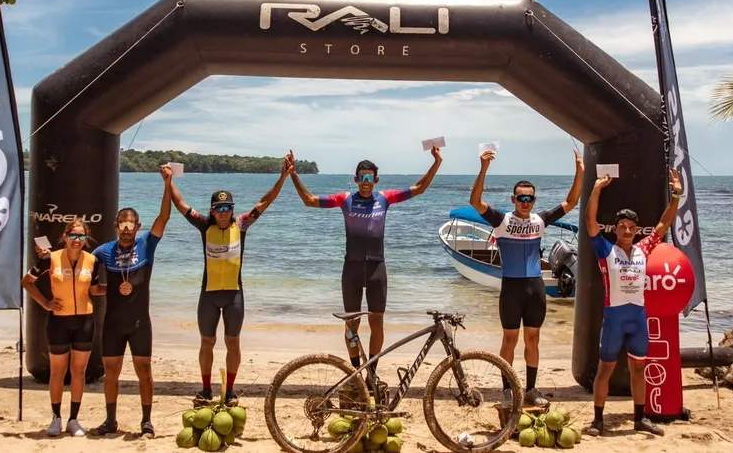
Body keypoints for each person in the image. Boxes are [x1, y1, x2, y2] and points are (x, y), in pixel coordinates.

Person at [288, 146, 442, 382]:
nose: (366, 182)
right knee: (352, 323)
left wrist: (436, 163)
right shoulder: (345, 199)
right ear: (356, 179)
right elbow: (309, 200)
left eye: (370, 178)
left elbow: (419, 188)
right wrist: (293, 174)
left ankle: (371, 373)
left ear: (376, 180)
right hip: (351, 268)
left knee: (376, 321)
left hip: (376, 268)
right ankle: (355, 372)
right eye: (362, 178)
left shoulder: (385, 198)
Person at [169, 156, 291, 405]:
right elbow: (181, 205)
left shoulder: (242, 224)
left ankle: (230, 391)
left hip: (234, 294)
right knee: (207, 341)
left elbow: (265, 202)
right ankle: (206, 390)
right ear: (212, 210)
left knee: (232, 342)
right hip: (209, 295)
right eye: (218, 209)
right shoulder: (205, 226)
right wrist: (168, 181)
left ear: (232, 210)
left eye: (227, 208)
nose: (223, 213)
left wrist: (283, 176)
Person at [469, 148, 583, 407]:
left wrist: (580, 170)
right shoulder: (501, 221)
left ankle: (531, 389)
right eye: (521, 198)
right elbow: (475, 201)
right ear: (513, 199)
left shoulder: (540, 220)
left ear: (534, 199)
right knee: (509, 340)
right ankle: (507, 390)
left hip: (534, 288)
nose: (525, 202)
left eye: (529, 198)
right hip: (511, 288)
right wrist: (484, 168)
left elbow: (572, 201)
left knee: (533, 339)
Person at [583, 169, 682, 437]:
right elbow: (590, 221)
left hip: (637, 318)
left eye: (631, 227)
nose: (627, 230)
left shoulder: (644, 249)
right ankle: (597, 420)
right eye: (622, 226)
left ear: (636, 231)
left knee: (639, 368)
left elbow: (664, 224)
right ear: (615, 229)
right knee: (605, 369)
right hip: (614, 319)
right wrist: (596, 189)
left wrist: (676, 195)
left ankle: (640, 418)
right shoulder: (606, 250)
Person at [88, 166, 174, 438]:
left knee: (143, 371)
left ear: (138, 226)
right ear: (116, 226)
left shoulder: (147, 244)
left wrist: (168, 184)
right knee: (111, 372)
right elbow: (86, 279)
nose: (126, 230)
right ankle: (110, 421)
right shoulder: (103, 252)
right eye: (122, 225)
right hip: (113, 324)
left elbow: (164, 217)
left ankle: (146, 422)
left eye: (131, 225)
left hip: (139, 324)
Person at [22, 218, 106, 438]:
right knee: (57, 372)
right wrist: (45, 303)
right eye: (73, 235)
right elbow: (26, 282)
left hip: (84, 322)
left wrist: (118, 287)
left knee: (78, 372)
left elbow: (95, 289)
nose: (77, 239)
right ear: (65, 236)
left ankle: (73, 420)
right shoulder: (50, 259)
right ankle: (56, 418)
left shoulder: (92, 260)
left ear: (86, 238)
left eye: (81, 236)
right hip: (58, 321)